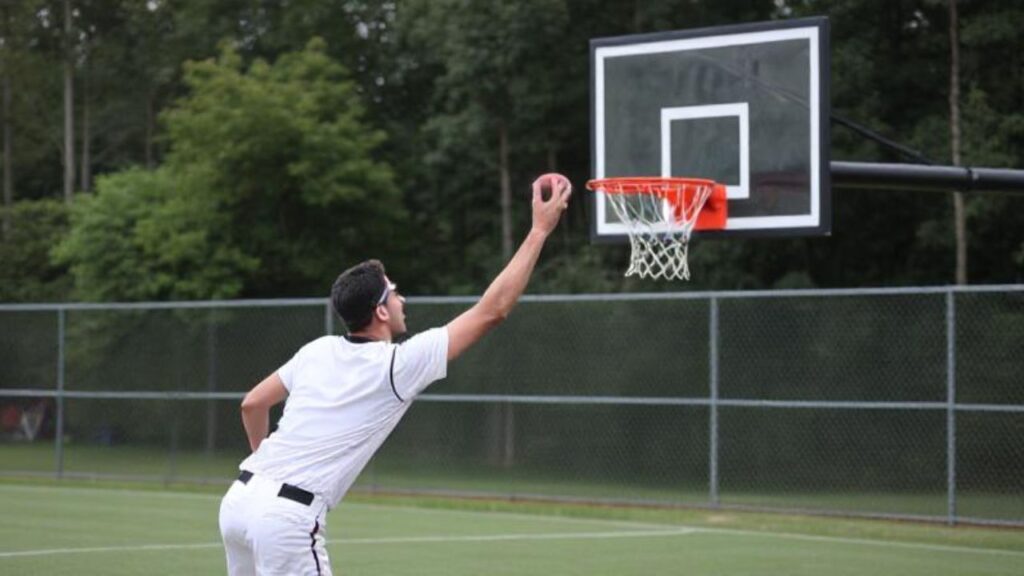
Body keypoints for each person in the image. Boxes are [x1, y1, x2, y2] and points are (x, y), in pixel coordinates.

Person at [218, 173, 572, 576]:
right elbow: (493, 310)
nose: (402, 298)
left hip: (240, 500)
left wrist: (264, 463)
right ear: (381, 311)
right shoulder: (396, 367)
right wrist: (540, 230)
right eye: (394, 291)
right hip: (284, 517)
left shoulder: (317, 350)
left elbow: (253, 403)